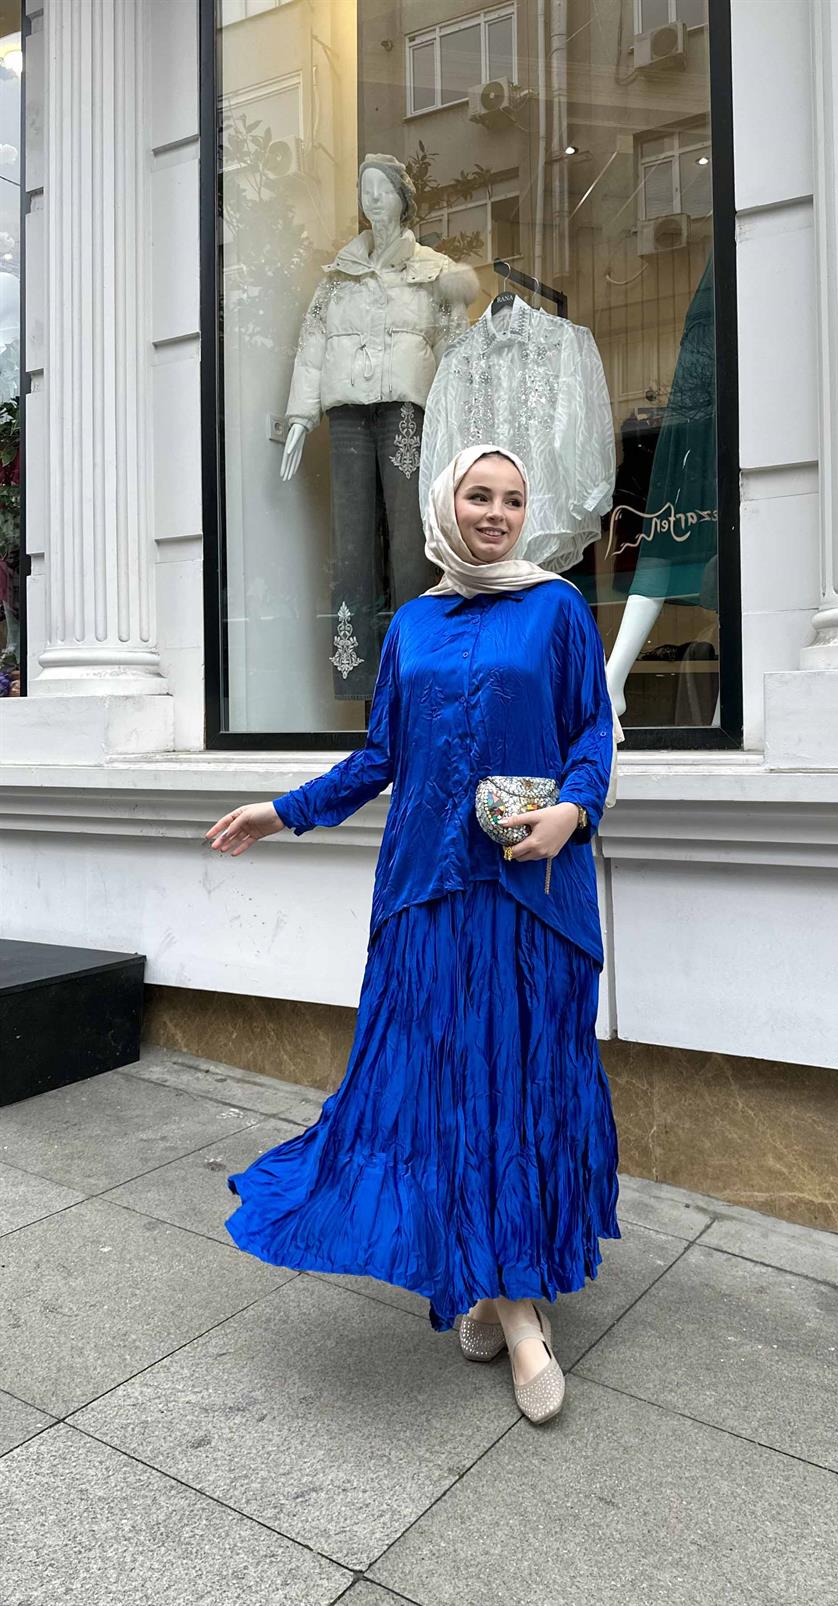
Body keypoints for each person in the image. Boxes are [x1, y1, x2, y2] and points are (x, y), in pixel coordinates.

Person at [205, 445, 624, 1426]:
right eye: (479, 495)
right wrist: (281, 810)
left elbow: (591, 733)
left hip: (530, 892)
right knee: (446, 1089)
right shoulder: (412, 625)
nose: (497, 512)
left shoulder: (557, 609)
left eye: (512, 499)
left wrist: (574, 811)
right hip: (428, 893)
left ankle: (503, 1295)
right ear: (447, 504)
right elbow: (380, 756)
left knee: (520, 1084)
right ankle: (512, 1305)